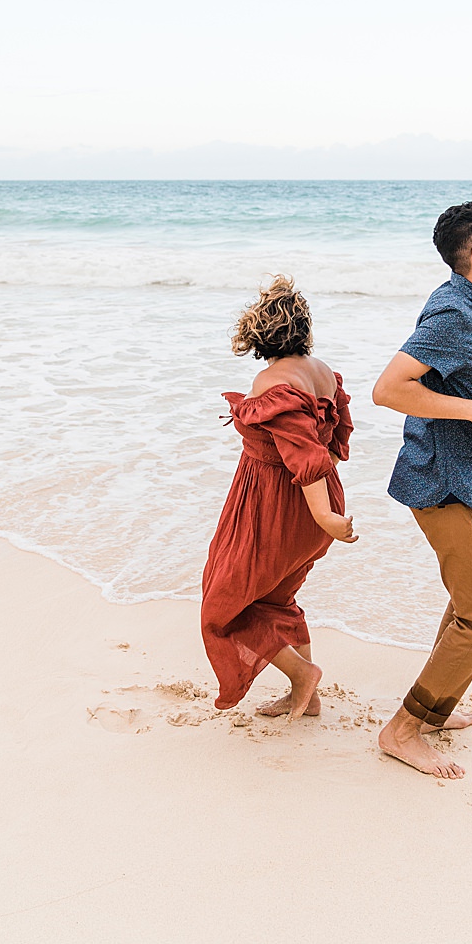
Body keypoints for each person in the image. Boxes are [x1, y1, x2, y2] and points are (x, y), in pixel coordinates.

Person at [370, 202, 472, 778]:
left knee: (469, 602)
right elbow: (387, 389)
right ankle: (403, 731)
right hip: (445, 482)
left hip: (465, 479)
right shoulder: (457, 313)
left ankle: (432, 712)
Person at [200, 275, 357, 721]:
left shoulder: (274, 382)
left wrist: (324, 516)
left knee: (221, 605)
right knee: (278, 600)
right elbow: (334, 442)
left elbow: (304, 453)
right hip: (310, 504)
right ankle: (306, 698)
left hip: (278, 505)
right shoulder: (322, 371)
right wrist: (326, 510)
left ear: (257, 334)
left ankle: (304, 676)